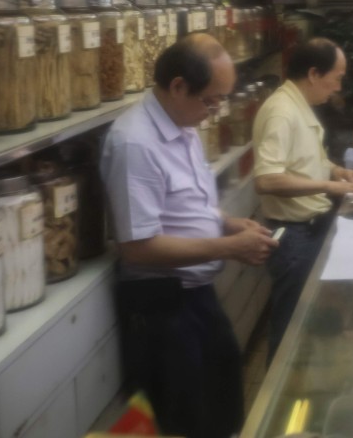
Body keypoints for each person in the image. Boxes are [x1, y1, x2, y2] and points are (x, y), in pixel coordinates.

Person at [101, 33, 278, 438]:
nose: (216, 110)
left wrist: (228, 224)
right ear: (178, 86)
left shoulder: (182, 124)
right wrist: (229, 247)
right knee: (185, 419)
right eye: (211, 100)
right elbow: (139, 248)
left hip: (195, 297)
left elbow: (187, 205)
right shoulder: (135, 144)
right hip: (161, 308)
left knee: (222, 401)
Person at [253, 37, 353, 360]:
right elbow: (267, 179)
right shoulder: (281, 111)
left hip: (309, 229)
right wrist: (330, 188)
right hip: (292, 236)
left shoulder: (298, 105)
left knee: (307, 320)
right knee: (291, 325)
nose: (338, 86)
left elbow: (301, 160)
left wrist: (336, 171)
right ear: (314, 73)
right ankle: (276, 399)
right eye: (337, 77)